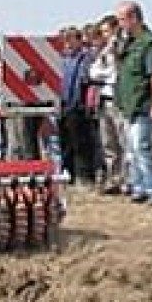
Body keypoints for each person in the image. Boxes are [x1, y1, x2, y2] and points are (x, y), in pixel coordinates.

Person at [115, 1, 152, 205]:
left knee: (142, 147)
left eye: (122, 19)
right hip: (128, 104)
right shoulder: (128, 43)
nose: (120, 24)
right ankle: (139, 187)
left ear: (133, 18)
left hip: (142, 103)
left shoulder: (149, 43)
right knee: (131, 149)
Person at [88, 14, 129, 195]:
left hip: (119, 99)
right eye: (102, 32)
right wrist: (106, 74)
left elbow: (117, 73)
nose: (105, 35)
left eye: (107, 31)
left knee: (124, 142)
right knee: (109, 143)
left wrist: (106, 74)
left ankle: (127, 180)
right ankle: (113, 179)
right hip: (104, 99)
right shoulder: (104, 51)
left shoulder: (123, 47)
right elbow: (93, 72)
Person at [58, 26, 96, 185]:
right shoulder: (62, 59)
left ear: (79, 40)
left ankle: (84, 175)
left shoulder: (86, 57)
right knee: (65, 143)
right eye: (65, 40)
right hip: (63, 105)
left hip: (79, 105)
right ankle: (68, 174)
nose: (67, 43)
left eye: (71, 39)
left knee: (81, 142)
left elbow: (86, 79)